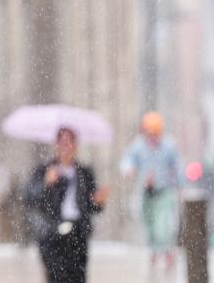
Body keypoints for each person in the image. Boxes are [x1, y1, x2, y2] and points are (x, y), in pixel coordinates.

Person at [25, 127, 109, 283]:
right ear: (56, 145)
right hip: (52, 232)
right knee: (56, 276)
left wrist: (98, 201)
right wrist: (46, 184)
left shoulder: (84, 172)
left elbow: (91, 207)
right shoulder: (44, 170)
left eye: (70, 141)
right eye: (62, 142)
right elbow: (31, 199)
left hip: (78, 232)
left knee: (78, 277)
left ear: (76, 145)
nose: (66, 146)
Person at [120, 112, 183, 271]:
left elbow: (178, 166)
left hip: (164, 192)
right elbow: (127, 160)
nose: (152, 137)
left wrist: (179, 182)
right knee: (149, 225)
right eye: (149, 133)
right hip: (145, 193)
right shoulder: (138, 146)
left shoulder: (169, 146)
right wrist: (129, 170)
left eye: (155, 133)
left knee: (163, 226)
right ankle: (155, 251)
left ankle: (167, 251)